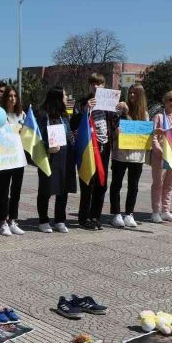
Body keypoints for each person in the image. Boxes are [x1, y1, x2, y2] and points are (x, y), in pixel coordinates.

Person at [71, 73, 114, 230]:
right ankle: (83, 218)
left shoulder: (109, 104)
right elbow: (73, 124)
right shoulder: (82, 102)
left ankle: (96, 216)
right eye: (93, 84)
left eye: (100, 84)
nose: (96, 87)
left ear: (104, 86)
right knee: (88, 182)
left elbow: (115, 124)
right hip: (88, 147)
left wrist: (121, 110)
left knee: (101, 183)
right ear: (89, 86)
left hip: (104, 147)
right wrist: (85, 109)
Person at [35, 86, 76, 233]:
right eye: (64, 96)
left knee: (63, 188)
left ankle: (60, 220)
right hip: (48, 157)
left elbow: (68, 133)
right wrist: (47, 147)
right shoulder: (42, 115)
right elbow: (37, 137)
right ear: (57, 98)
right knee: (46, 189)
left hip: (65, 156)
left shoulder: (64, 115)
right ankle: (43, 220)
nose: (66, 99)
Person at [109, 84, 148, 228]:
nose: (132, 96)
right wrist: (116, 132)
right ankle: (116, 213)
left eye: (135, 93)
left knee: (134, 186)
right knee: (116, 184)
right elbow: (113, 131)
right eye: (130, 93)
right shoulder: (119, 110)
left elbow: (143, 133)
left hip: (137, 156)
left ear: (141, 96)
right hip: (120, 155)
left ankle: (129, 214)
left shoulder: (144, 113)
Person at [0, 86, 26, 236]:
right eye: (9, 96)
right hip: (4, 158)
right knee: (3, 191)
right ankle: (3, 222)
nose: (12, 98)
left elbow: (25, 134)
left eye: (14, 96)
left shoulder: (21, 115)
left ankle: (13, 220)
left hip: (18, 157)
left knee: (16, 191)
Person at [150, 90, 172, 223]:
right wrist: (159, 150)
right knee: (158, 184)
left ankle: (166, 210)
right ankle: (155, 212)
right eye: (170, 99)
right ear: (164, 101)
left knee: (169, 184)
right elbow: (152, 136)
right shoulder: (159, 117)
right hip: (160, 156)